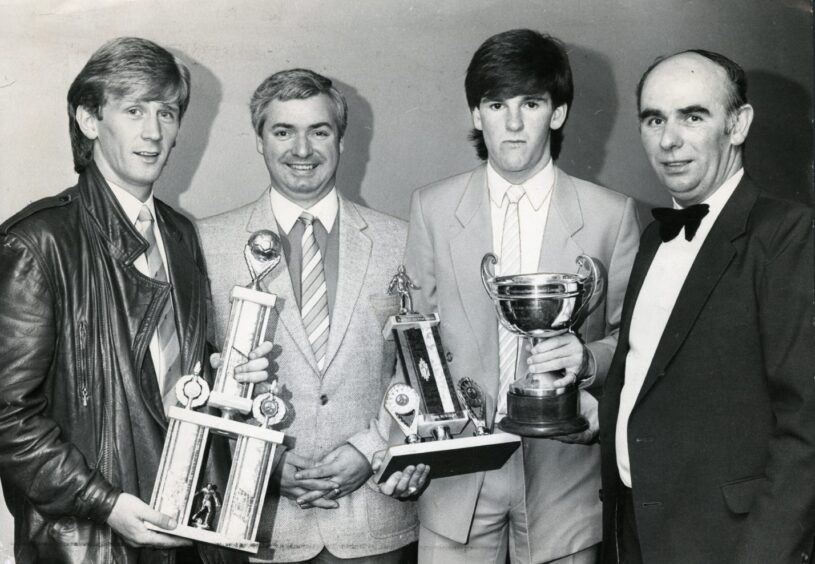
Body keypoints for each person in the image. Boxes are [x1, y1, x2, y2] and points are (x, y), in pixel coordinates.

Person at [0, 37, 269, 563]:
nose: (154, 132)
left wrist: (232, 377)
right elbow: (8, 416)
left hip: (188, 531)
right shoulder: (38, 241)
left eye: (167, 112)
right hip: (94, 541)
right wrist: (103, 503)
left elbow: (174, 379)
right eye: (134, 110)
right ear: (89, 119)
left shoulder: (178, 233)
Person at [391, 29, 640, 563]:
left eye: (530, 103)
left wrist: (587, 360)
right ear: (476, 115)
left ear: (558, 113)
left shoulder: (611, 215)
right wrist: (403, 439)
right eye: (495, 104)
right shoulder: (432, 208)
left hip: (565, 475)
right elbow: (411, 341)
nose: (512, 122)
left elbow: (635, 341)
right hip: (458, 479)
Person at [598, 50, 815, 564]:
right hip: (636, 533)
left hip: (732, 545)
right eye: (654, 120)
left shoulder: (789, 235)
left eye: (692, 117)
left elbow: (807, 426)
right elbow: (656, 382)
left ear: (738, 125)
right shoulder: (653, 238)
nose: (668, 141)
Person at [196, 69, 417, 563]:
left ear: (341, 139)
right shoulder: (206, 245)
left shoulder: (400, 241)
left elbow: (419, 365)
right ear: (259, 140)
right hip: (256, 520)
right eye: (283, 131)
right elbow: (195, 376)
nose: (302, 149)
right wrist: (259, 456)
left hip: (373, 518)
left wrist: (370, 448)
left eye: (319, 131)